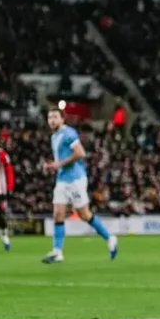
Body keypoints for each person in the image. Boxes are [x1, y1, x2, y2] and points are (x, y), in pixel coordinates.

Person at [42, 107, 118, 264]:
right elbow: (61, 159)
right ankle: (57, 252)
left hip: (75, 179)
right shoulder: (54, 136)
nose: (52, 120)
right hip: (62, 179)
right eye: (50, 117)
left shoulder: (68, 133)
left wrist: (59, 164)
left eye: (55, 117)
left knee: (84, 215)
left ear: (62, 118)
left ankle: (110, 238)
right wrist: (52, 166)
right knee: (58, 213)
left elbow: (80, 153)